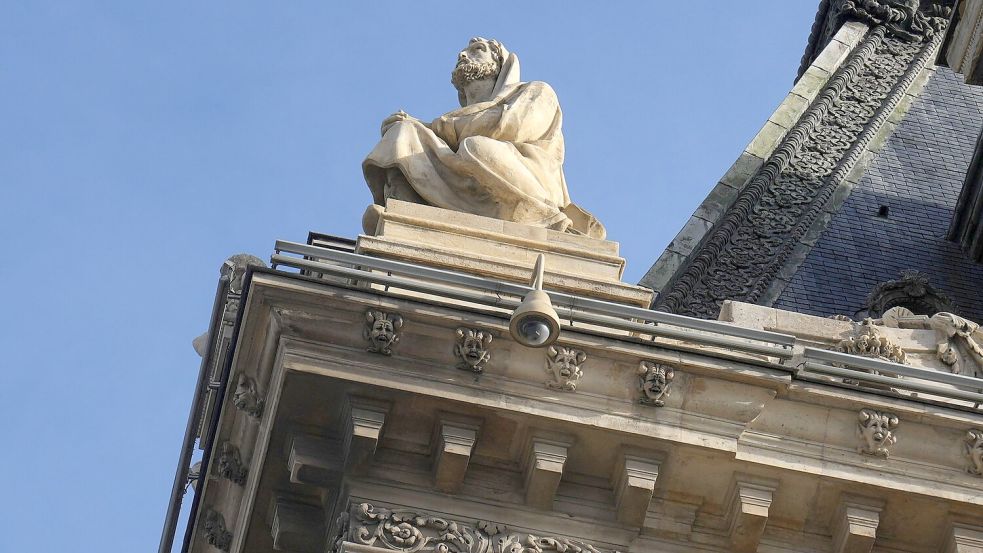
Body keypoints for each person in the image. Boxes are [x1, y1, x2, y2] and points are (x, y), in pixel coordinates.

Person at [362, 37, 605, 239]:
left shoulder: (537, 91)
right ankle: (403, 209)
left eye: (477, 49)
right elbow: (460, 129)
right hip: (464, 165)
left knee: (477, 147)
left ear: (500, 64)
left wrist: (437, 127)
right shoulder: (447, 128)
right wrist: (420, 127)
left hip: (524, 178)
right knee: (404, 132)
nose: (463, 54)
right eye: (465, 50)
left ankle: (545, 218)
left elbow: (506, 127)